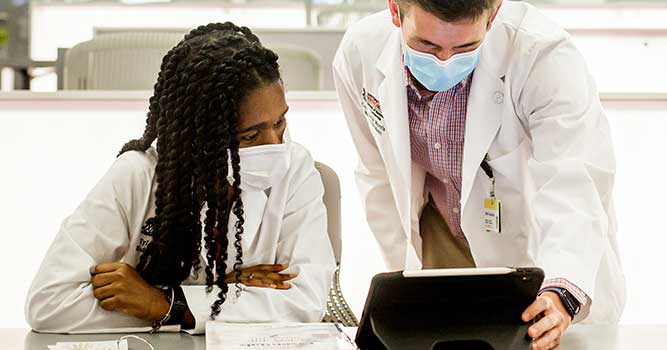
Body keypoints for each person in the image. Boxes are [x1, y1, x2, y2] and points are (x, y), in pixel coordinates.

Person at [333, 1, 626, 348]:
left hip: (532, 245)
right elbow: (377, 171)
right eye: (426, 45)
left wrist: (562, 290)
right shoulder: (360, 52)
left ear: (493, 14)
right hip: (437, 235)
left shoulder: (543, 56)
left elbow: (573, 180)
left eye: (465, 48)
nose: (444, 60)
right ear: (396, 11)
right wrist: (403, 275)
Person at [25, 22, 335, 334]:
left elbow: (305, 302)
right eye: (250, 135)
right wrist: (221, 299)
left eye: (280, 122)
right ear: (200, 138)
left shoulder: (295, 169)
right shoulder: (137, 176)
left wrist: (164, 303)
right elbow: (50, 302)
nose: (275, 146)